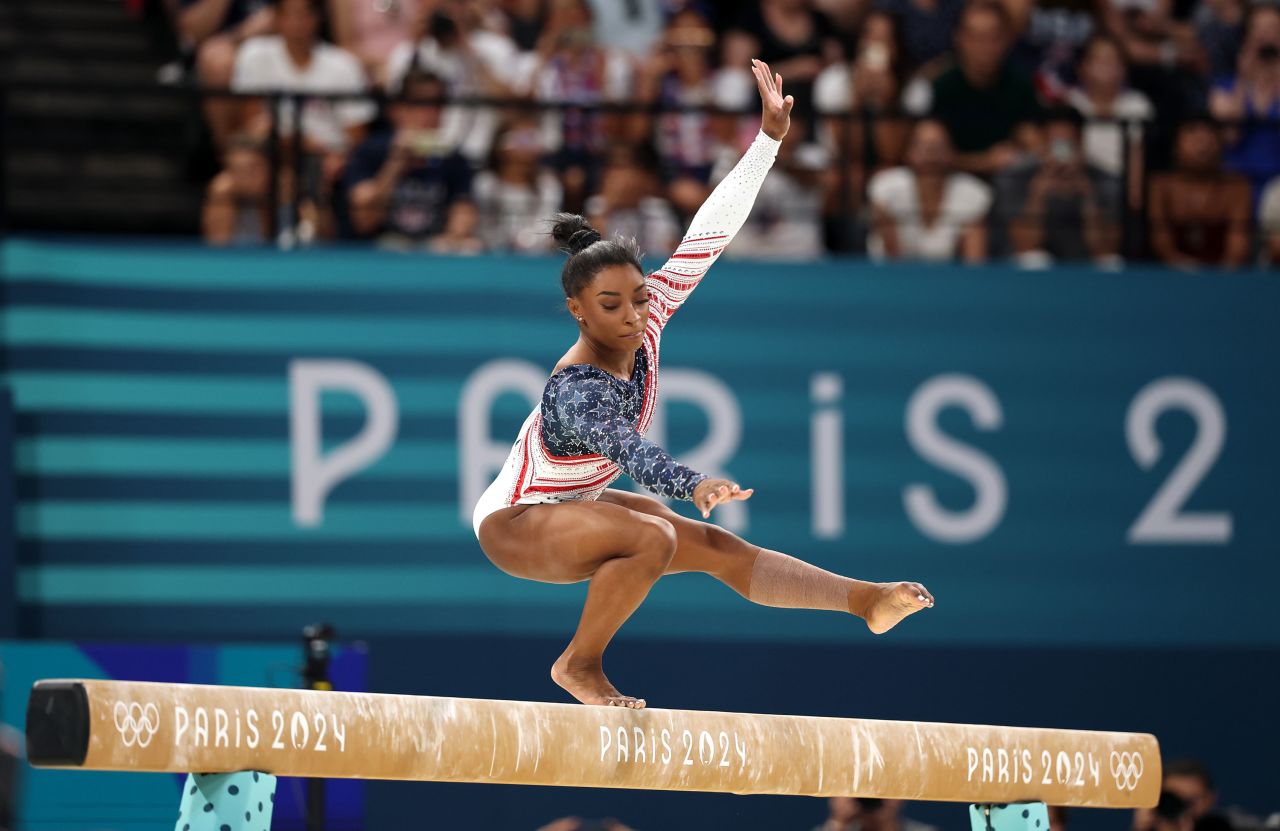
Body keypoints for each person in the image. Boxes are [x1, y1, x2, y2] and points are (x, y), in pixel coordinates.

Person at [472, 60, 934, 708]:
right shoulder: (577, 388)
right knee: (653, 533)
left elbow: (710, 231)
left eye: (638, 296)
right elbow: (629, 451)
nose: (634, 314)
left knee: (714, 545)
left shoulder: (653, 306)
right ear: (580, 311)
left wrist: (768, 140)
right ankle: (580, 664)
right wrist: (690, 482)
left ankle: (864, 600)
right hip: (515, 524)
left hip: (575, 511)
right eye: (612, 306)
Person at [345, 69, 478, 248]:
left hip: (432, 252)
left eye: (438, 104)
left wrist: (453, 236)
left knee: (471, 246)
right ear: (399, 110)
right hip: (380, 253)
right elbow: (364, 221)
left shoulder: (454, 159)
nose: (431, 113)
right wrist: (396, 162)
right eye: (421, 104)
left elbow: (463, 214)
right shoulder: (371, 151)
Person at [910, 1, 1042, 175]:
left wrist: (1026, 149)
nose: (985, 48)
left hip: (1006, 178)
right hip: (948, 181)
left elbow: (1031, 139)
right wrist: (983, 162)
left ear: (1007, 39)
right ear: (958, 39)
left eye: (993, 37)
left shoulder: (1020, 83)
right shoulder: (939, 87)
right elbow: (924, 157)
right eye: (976, 38)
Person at [996, 108, 1121, 265]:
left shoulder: (1104, 180)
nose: (1061, 154)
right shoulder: (1015, 177)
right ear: (1041, 140)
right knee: (1034, 259)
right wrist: (1038, 194)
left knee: (1111, 262)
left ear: (1081, 141)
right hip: (1030, 272)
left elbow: (1105, 250)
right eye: (1056, 144)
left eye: (1068, 145)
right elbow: (1025, 246)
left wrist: (1089, 197)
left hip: (1083, 263)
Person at [867, 118, 992, 263]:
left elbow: (974, 265)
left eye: (939, 147)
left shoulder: (973, 193)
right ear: (908, 152)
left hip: (950, 280)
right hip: (892, 278)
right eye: (923, 146)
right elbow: (893, 260)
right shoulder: (885, 187)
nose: (931, 156)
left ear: (951, 152)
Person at [1147, 119, 1251, 268]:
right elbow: (1160, 236)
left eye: (1208, 140)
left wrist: (1223, 274)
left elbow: (1239, 239)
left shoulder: (1236, 186)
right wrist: (1182, 267)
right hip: (1173, 275)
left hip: (1224, 276)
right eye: (1194, 140)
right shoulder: (1161, 185)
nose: (1203, 147)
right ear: (1176, 146)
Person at [1208, 4, 1280, 207]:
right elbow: (1230, 136)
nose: (1268, 36)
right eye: (1260, 29)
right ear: (1247, 36)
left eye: (1274, 29)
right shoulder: (1224, 86)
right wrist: (1243, 79)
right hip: (1236, 183)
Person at [202, 133, 275, 244]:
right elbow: (219, 249)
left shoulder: (286, 195)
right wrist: (220, 199)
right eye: (237, 170)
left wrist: (272, 199)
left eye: (253, 169)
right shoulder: (222, 198)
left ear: (269, 166)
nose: (245, 178)